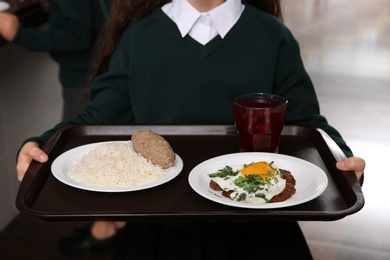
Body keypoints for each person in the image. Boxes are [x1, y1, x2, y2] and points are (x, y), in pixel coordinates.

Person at [15, 0, 366, 258]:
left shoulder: (273, 37)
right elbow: (92, 120)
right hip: (159, 229)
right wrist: (43, 143)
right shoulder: (140, 37)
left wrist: (342, 161)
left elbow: (309, 126)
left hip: (262, 230)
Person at [1, 0, 126, 253]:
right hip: (95, 70)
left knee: (89, 151)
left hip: (85, 77)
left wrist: (21, 35)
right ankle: (110, 220)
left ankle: (104, 228)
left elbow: (76, 36)